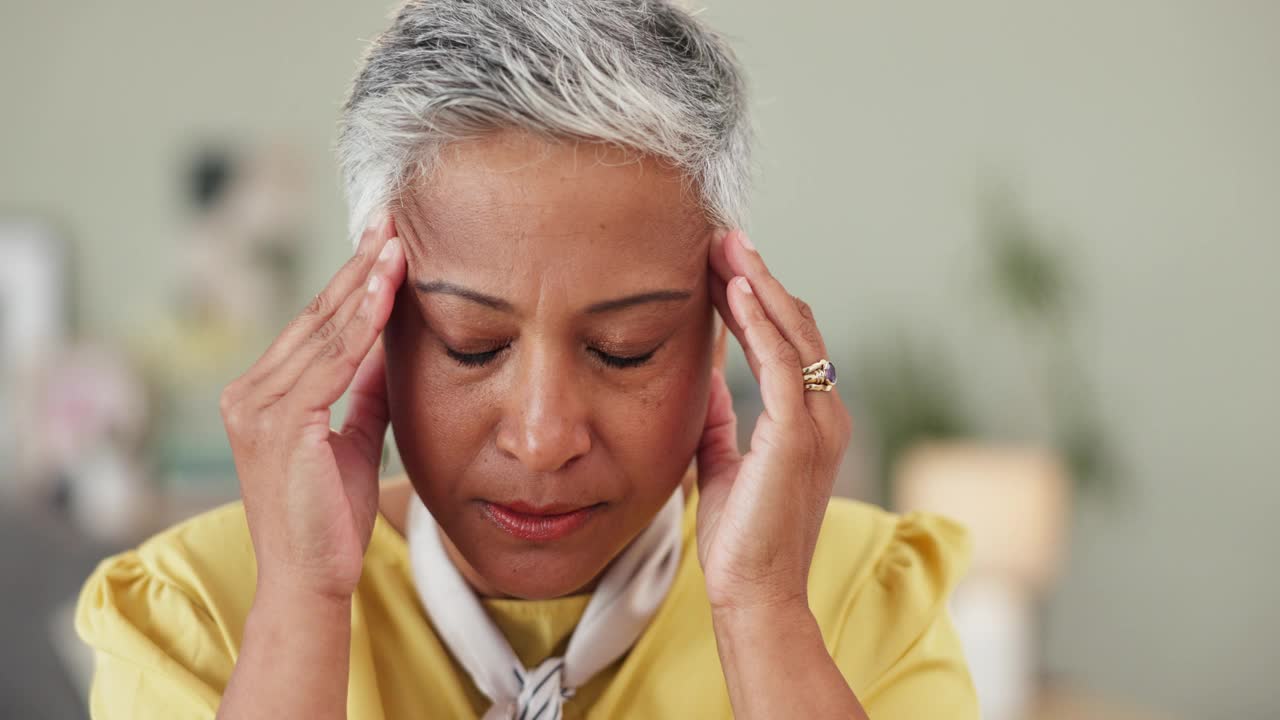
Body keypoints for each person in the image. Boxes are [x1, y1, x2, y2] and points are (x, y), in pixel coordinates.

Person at [75, 1, 979, 718]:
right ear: (373, 322)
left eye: (624, 352)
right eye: (472, 345)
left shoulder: (864, 598)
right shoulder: (195, 613)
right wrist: (301, 610)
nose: (543, 439)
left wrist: (764, 615)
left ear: (721, 326)